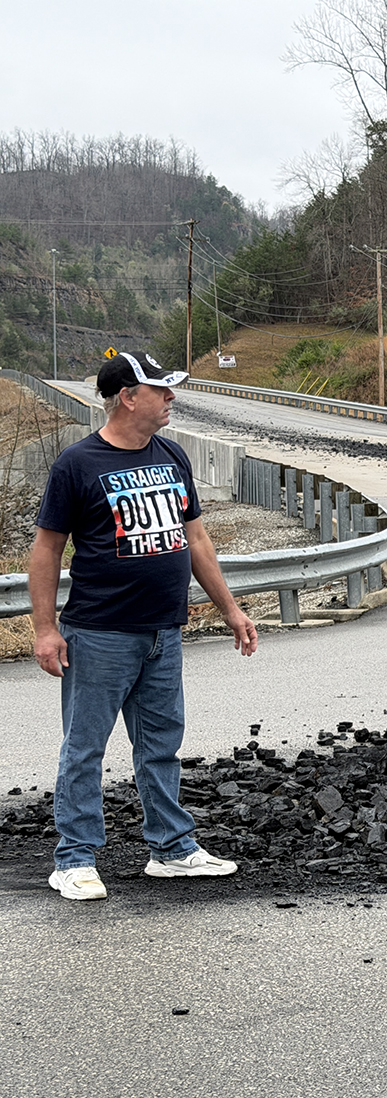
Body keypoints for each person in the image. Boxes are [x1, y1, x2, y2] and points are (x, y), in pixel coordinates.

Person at [28, 350, 258, 902]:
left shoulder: (171, 455)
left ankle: (173, 849)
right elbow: (46, 549)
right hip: (100, 631)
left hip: (163, 631)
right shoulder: (77, 465)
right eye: (161, 389)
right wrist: (44, 629)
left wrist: (230, 609)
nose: (171, 397)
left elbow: (197, 540)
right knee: (85, 746)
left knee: (160, 745)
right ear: (128, 396)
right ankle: (75, 858)